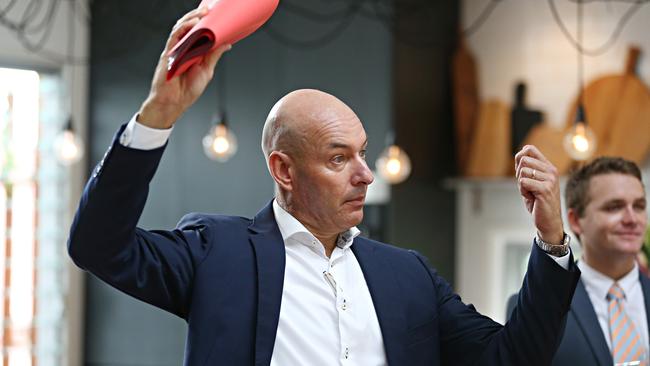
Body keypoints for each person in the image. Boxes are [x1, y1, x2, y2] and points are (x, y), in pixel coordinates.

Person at [68, 7, 580, 366]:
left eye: (362, 152)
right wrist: (160, 114)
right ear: (284, 171)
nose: (365, 173)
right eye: (339, 158)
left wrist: (552, 242)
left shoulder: (407, 274)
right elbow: (97, 245)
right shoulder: (215, 253)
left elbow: (513, 356)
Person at [508, 157, 649, 365]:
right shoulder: (533, 308)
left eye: (638, 206)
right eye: (614, 207)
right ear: (575, 220)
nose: (632, 219)